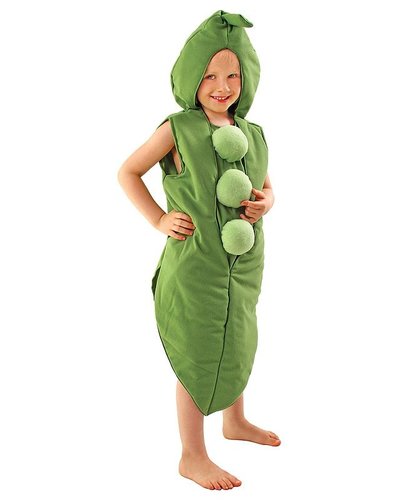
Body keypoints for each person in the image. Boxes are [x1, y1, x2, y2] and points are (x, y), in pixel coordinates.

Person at [118, 10, 280, 491]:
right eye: (209, 75)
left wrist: (265, 202)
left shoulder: (251, 133)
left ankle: (235, 421)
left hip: (243, 263)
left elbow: (267, 187)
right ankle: (192, 455)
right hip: (195, 262)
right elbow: (128, 172)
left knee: (236, 337)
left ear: (246, 80)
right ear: (192, 77)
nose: (222, 86)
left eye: (232, 75)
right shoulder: (178, 128)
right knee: (198, 349)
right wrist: (159, 219)